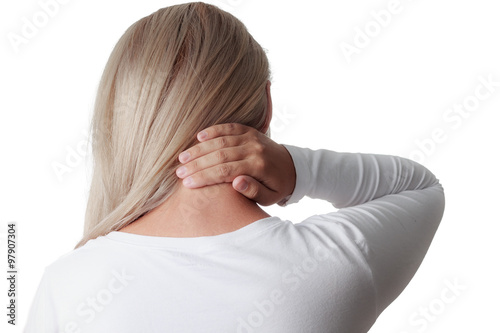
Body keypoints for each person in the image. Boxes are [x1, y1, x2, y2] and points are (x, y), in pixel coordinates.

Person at [24, 2, 445, 332]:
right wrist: (298, 168)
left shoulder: (68, 285)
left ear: (120, 120)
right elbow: (421, 187)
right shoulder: (334, 263)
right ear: (266, 110)